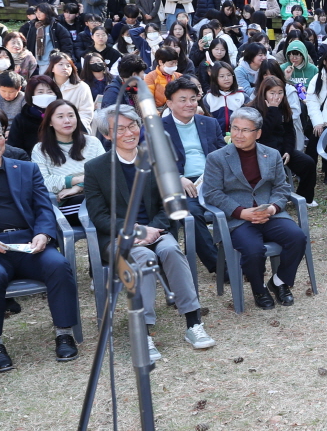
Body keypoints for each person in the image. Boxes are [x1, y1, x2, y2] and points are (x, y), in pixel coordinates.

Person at [84, 107, 213, 352]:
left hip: (158, 231)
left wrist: (152, 229)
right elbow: (99, 216)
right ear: (108, 135)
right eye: (119, 129)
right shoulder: (96, 168)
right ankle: (142, 333)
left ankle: (193, 322)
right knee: (144, 257)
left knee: (171, 252)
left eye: (132, 125)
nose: (128, 132)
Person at [0, 112, 81, 371]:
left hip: (29, 244)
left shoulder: (26, 168)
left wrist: (44, 234)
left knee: (58, 265)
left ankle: (64, 333)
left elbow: (43, 208)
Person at [200, 107, 308, 310]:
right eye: (235, 128)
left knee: (297, 238)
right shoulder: (217, 158)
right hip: (238, 218)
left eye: (245, 130)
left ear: (258, 133)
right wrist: (241, 212)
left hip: (269, 214)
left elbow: (281, 187)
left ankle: (279, 282)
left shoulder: (272, 154)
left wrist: (273, 208)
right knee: (252, 250)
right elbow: (212, 193)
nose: (238, 135)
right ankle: (259, 289)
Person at [159, 76, 229, 276]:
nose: (189, 104)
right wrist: (177, 178)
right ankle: (219, 266)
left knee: (238, 203)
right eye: (183, 99)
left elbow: (223, 153)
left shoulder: (209, 122)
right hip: (181, 183)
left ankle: (246, 256)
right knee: (190, 213)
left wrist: (215, 175)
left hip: (211, 179)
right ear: (170, 103)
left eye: (193, 99)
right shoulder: (157, 128)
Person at [250, 76, 317, 204]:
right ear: (264, 92)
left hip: (281, 149)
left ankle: (304, 198)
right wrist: (273, 111)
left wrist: (288, 151)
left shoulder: (284, 107)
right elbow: (262, 134)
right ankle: (271, 199)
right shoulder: (254, 109)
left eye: (280, 93)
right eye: (272, 93)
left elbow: (289, 133)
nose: (277, 97)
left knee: (308, 163)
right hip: (261, 151)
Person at [31, 98, 103, 208]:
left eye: (71, 115)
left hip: (95, 195)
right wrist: (77, 179)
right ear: (50, 122)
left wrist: (79, 187)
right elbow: (44, 182)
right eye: (60, 117)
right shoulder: (40, 149)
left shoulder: (93, 142)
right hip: (64, 202)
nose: (67, 121)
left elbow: (105, 173)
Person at [8, 76, 62, 151]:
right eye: (40, 92)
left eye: (50, 92)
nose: (45, 95)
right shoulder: (21, 120)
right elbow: (14, 149)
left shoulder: (65, 115)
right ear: (31, 95)